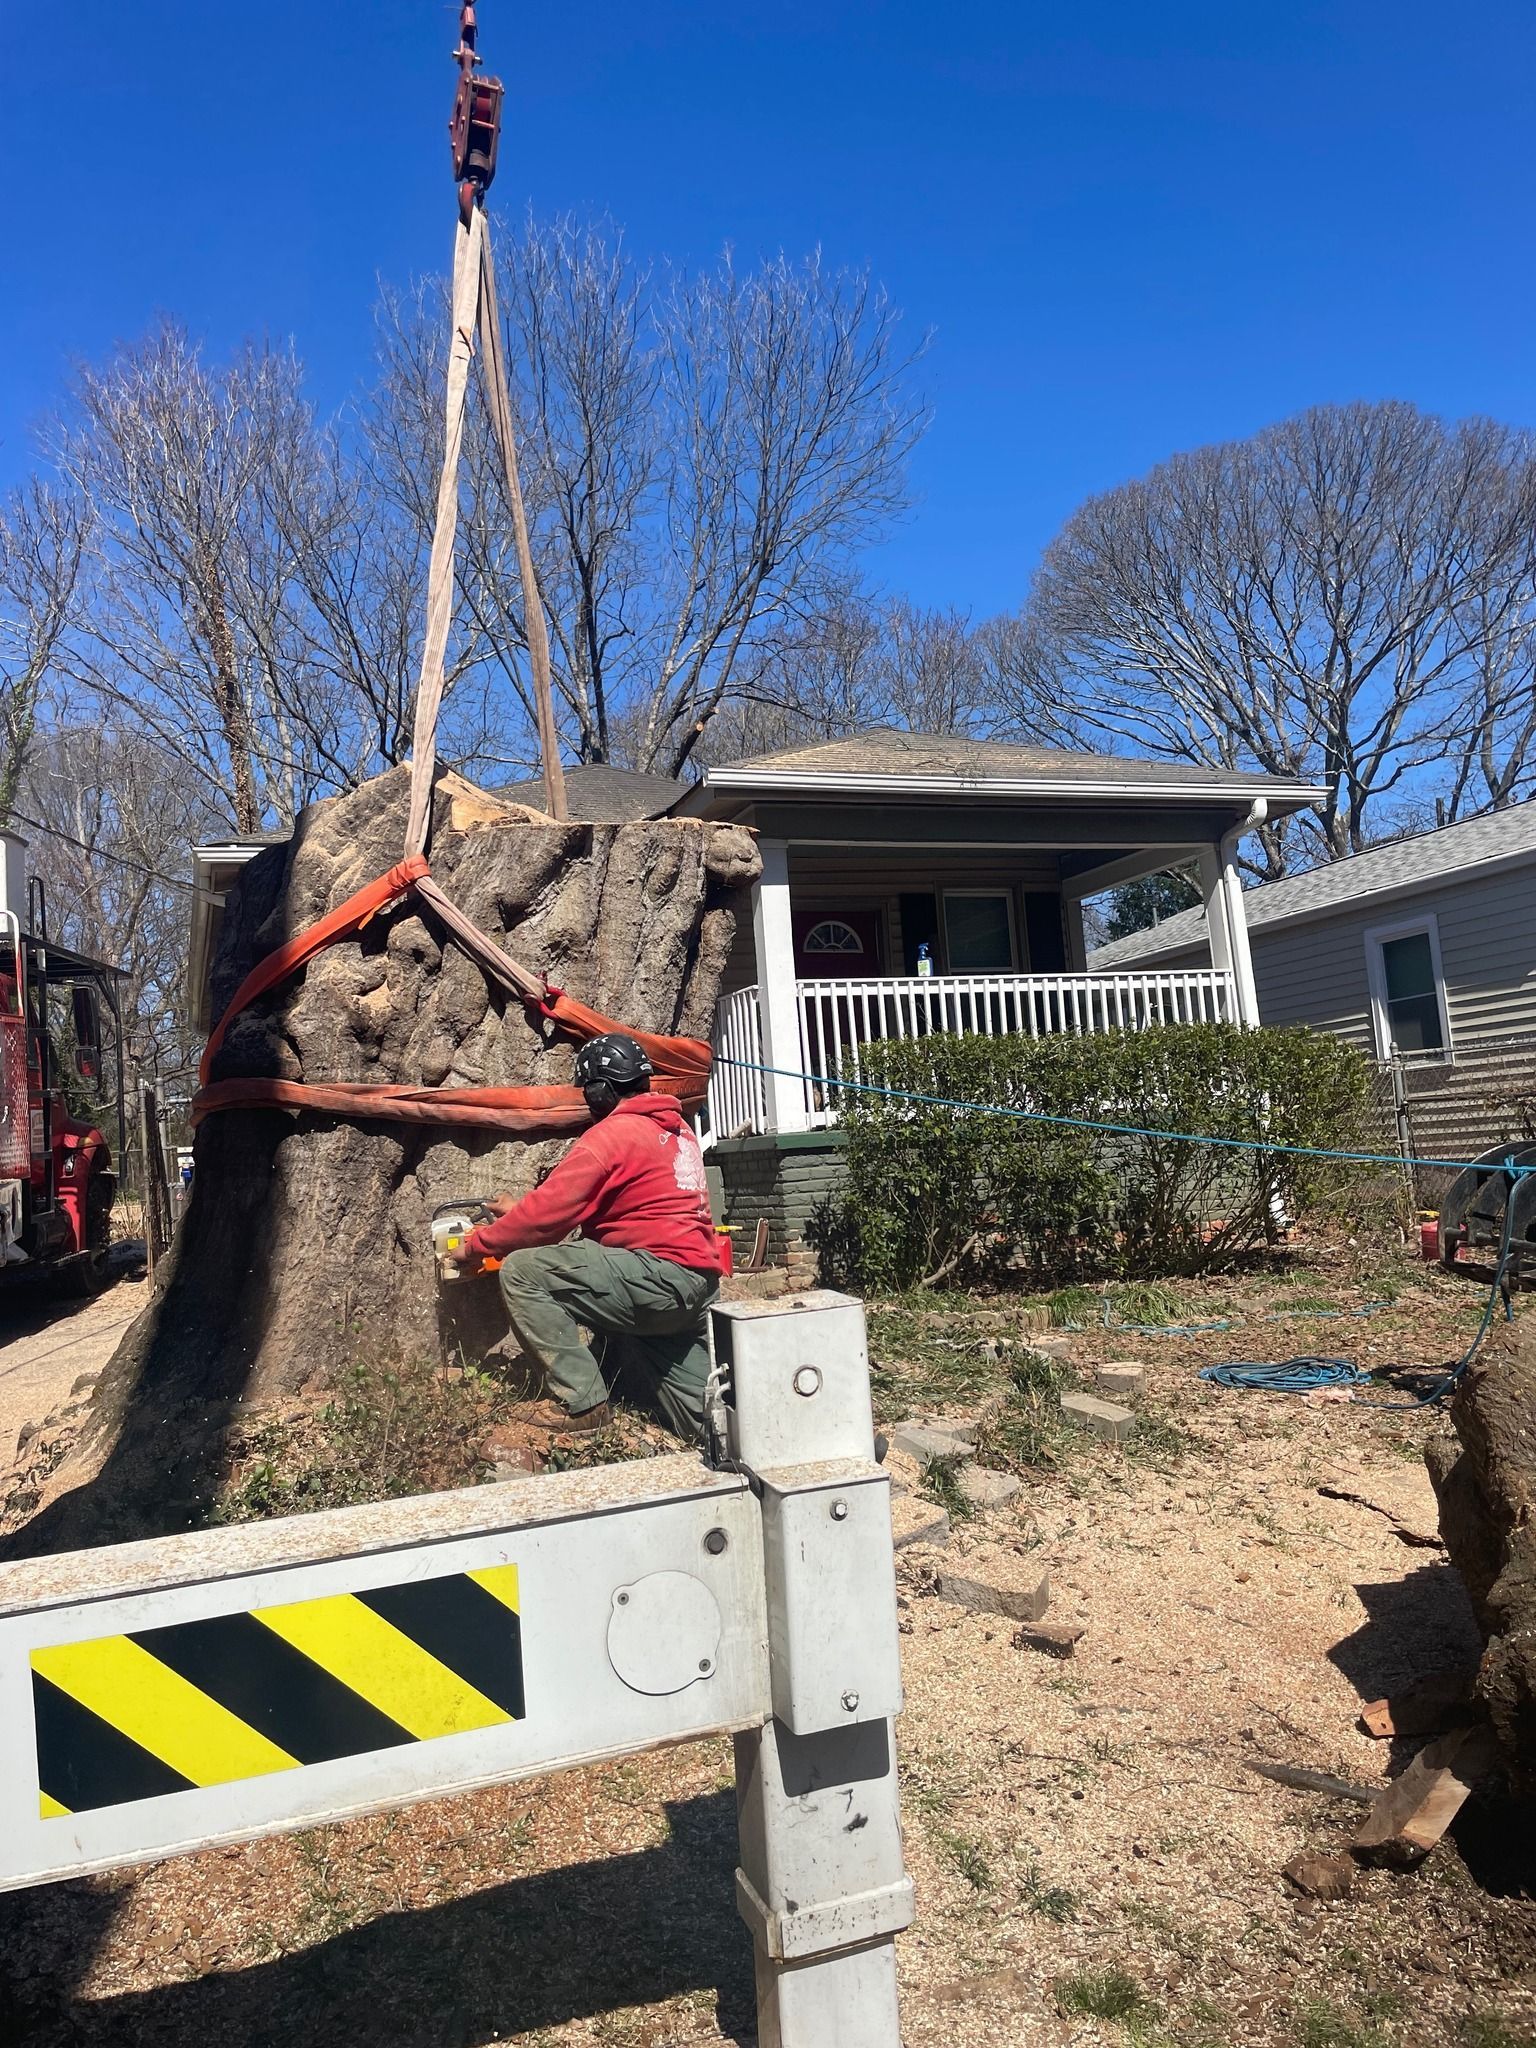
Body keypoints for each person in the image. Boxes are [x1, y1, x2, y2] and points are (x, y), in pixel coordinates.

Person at [455, 1032, 724, 1443]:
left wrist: (479, 1245)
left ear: (600, 1091)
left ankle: (583, 1404)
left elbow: (549, 1218)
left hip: (655, 1279)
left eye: (589, 1092)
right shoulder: (676, 1131)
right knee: (707, 1421)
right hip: (694, 1287)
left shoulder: (611, 1136)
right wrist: (521, 1212)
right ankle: (730, 1442)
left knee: (525, 1272)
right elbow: (630, 1204)